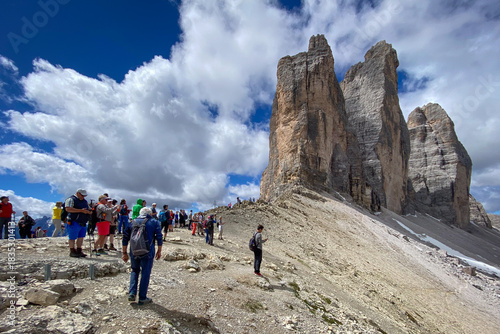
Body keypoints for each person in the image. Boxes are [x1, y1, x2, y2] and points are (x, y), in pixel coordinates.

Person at [122, 207, 162, 305]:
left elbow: (125, 238)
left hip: (134, 250)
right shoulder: (154, 222)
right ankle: (142, 297)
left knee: (134, 270)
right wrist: (159, 251)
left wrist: (124, 253)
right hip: (148, 251)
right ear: (150, 213)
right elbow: (159, 237)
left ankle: (132, 293)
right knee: (145, 273)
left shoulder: (132, 222)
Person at [65, 189, 91, 258]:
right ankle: (72, 250)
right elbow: (68, 209)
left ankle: (79, 250)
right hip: (74, 221)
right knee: (72, 237)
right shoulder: (71, 199)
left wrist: (88, 212)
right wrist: (81, 211)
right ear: (77, 193)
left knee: (81, 237)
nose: (83, 197)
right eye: (82, 195)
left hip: (83, 221)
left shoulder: (84, 201)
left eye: (84, 195)